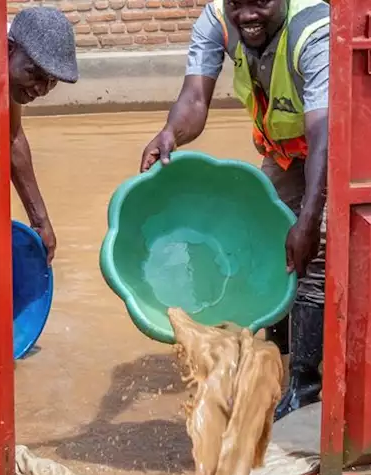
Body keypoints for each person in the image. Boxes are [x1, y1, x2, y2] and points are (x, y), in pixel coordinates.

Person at [140, 0, 330, 420]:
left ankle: (304, 384)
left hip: (331, 148)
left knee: (311, 258)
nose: (246, 14)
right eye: (237, 3)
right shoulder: (216, 22)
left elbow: (324, 133)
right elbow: (194, 98)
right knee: (270, 249)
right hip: (283, 153)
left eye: (259, 2)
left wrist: (310, 218)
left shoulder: (313, 32)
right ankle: (273, 361)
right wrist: (171, 132)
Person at [0, 6, 79, 262]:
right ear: (7, 50)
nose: (40, 89)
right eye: (33, 74)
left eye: (52, 81)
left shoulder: (8, 71)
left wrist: (40, 220)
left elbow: (12, 136)